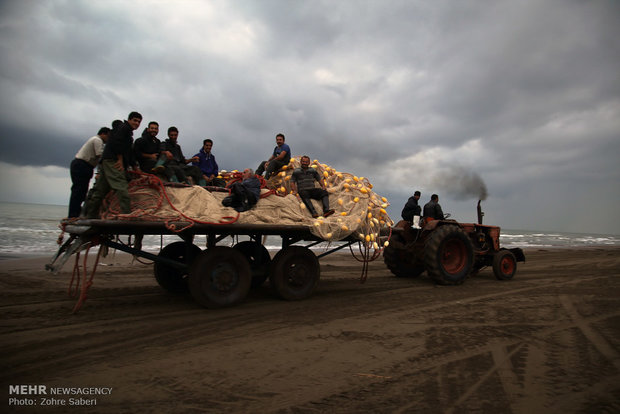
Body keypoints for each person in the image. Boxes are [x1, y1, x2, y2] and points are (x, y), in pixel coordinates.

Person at [86, 111, 142, 218]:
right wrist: (120, 159)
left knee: (100, 190)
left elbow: (129, 152)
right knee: (121, 186)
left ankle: (89, 215)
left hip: (107, 161)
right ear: (129, 120)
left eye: (139, 122)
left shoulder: (128, 134)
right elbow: (117, 143)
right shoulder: (123, 128)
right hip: (113, 161)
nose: (137, 123)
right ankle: (127, 214)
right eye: (135, 120)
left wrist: (135, 166)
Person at [67, 127, 110, 217]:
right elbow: (100, 156)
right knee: (78, 191)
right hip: (82, 165)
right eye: (108, 136)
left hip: (83, 165)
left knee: (81, 191)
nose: (108, 139)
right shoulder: (97, 140)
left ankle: (76, 213)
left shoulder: (95, 140)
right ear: (103, 134)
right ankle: (73, 215)